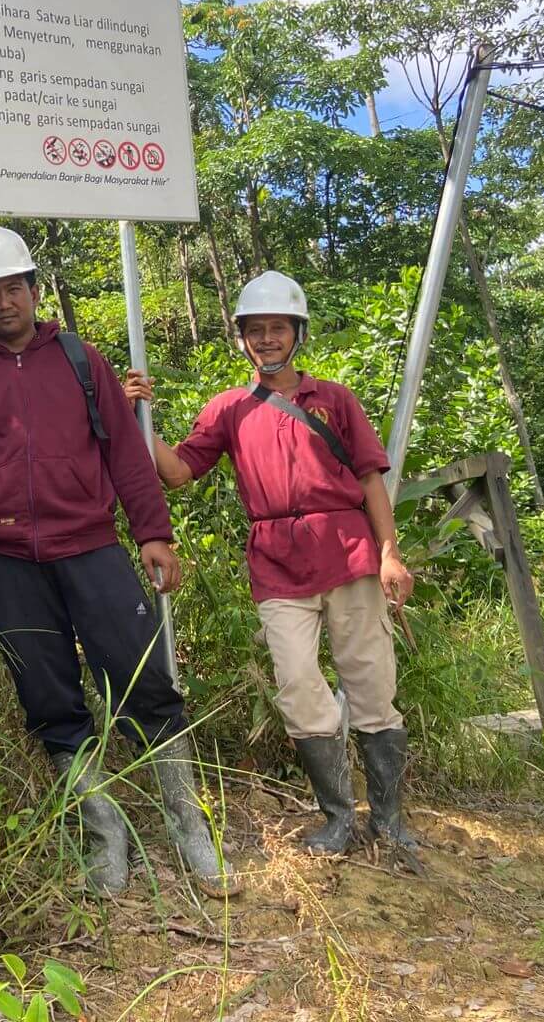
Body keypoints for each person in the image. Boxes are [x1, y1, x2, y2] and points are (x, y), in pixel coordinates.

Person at [0, 225, 235, 899]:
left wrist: (153, 531)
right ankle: (107, 836)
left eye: (15, 287)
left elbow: (127, 453)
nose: (4, 302)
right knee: (50, 702)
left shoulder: (80, 360)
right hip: (9, 564)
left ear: (34, 291)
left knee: (143, 683)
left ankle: (190, 827)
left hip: (94, 547)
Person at [124, 270, 418, 857]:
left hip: (347, 547)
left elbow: (369, 480)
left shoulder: (334, 400)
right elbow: (179, 472)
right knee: (297, 683)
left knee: (370, 679)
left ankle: (388, 820)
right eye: (255, 330)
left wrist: (389, 553)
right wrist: (139, 418)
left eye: (277, 328)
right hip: (276, 560)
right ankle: (338, 817)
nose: (266, 339)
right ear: (241, 338)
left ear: (296, 332)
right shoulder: (229, 408)